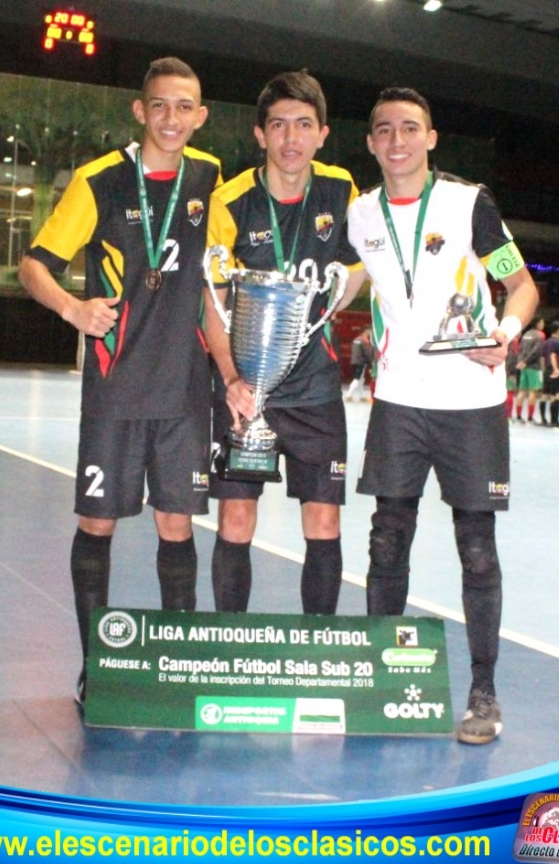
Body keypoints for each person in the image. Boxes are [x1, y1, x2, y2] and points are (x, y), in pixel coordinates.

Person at [18, 57, 222, 704]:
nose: (171, 117)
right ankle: (97, 665)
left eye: (183, 106)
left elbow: (221, 285)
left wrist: (235, 374)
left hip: (186, 392)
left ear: (200, 116)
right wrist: (74, 310)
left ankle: (181, 667)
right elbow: (34, 266)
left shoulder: (211, 179)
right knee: (98, 525)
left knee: (178, 529)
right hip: (114, 386)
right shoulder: (100, 180)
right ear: (140, 111)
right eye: (159, 105)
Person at [346, 86, 539, 745]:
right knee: (385, 537)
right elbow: (352, 278)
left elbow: (521, 284)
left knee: (477, 549)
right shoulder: (360, 215)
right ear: (371, 143)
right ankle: (378, 678)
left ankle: (483, 693)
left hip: (470, 400)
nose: (396, 140)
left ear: (431, 138)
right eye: (384, 130)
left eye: (410, 128)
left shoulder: (468, 204)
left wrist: (507, 334)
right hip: (399, 397)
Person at [203, 70, 365, 616]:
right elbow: (213, 299)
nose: (291, 139)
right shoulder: (230, 202)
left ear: (322, 134)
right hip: (246, 388)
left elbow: (359, 261)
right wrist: (230, 379)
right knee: (236, 518)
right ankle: (230, 644)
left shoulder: (340, 189)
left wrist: (348, 283)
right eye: (279, 126)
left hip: (316, 387)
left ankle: (317, 645)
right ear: (260, 134)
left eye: (303, 125)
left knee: (323, 519)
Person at [514, 316, 545, 424]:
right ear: (537, 324)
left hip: (523, 366)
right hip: (533, 366)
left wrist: (521, 362)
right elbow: (536, 351)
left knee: (521, 391)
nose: (543, 324)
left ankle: (518, 416)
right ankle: (530, 418)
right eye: (542, 322)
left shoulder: (525, 335)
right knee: (532, 392)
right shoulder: (540, 335)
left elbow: (520, 350)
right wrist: (527, 361)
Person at [539, 320, 559, 426]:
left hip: (547, 370)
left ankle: (543, 419)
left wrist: (544, 369)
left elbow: (542, 357)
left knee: (545, 394)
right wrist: (557, 369)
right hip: (555, 370)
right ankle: (554, 420)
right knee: (556, 395)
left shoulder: (546, 342)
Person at [346, 326, 374, 402]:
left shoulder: (356, 340)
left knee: (361, 380)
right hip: (361, 362)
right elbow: (367, 353)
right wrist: (370, 364)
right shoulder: (364, 342)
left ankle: (361, 396)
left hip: (354, 361)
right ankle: (348, 395)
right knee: (357, 379)